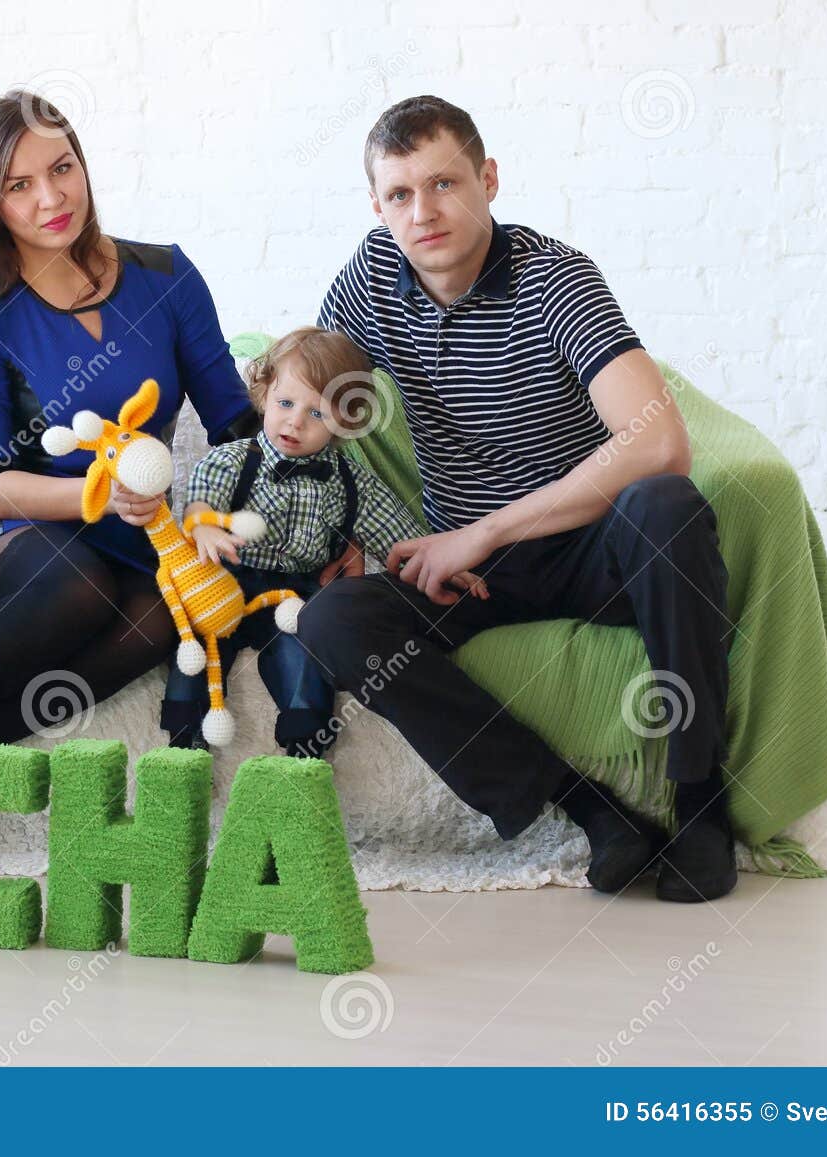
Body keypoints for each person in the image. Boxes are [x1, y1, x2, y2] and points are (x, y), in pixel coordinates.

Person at [298, 95, 738, 902]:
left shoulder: (553, 277)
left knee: (668, 505)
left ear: (488, 179)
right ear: (376, 205)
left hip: (589, 548)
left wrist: (480, 530)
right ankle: (594, 814)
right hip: (472, 577)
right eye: (399, 194)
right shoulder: (372, 275)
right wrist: (329, 529)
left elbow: (659, 439)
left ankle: (702, 799)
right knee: (335, 618)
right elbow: (308, 406)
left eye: (443, 184)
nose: (423, 212)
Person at [0, 90, 269, 750]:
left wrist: (297, 502)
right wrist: (102, 498)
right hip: (6, 533)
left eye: (62, 169)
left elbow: (234, 424)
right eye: (20, 185)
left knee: (162, 618)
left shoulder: (168, 278)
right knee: (80, 584)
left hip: (131, 536)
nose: (52, 198)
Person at [160, 326, 486, 757]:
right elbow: (202, 501)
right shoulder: (233, 460)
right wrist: (203, 528)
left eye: (317, 414)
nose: (295, 421)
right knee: (197, 642)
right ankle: (184, 739)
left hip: (297, 594)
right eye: (286, 403)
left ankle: (303, 748)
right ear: (263, 394)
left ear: (346, 421)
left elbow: (400, 534)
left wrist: (447, 562)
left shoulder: (353, 483)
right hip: (228, 582)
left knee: (308, 658)